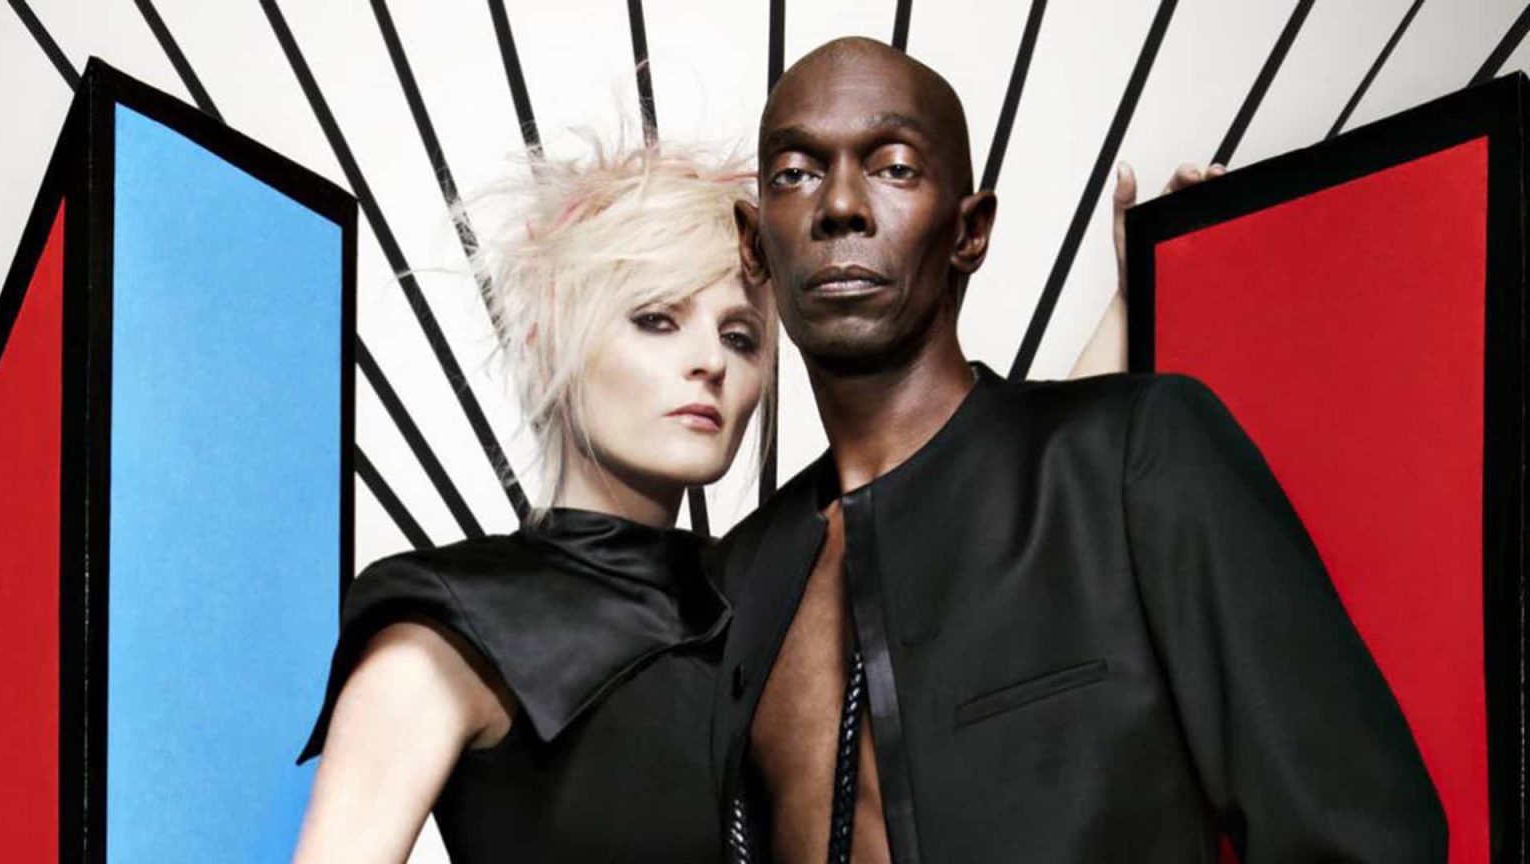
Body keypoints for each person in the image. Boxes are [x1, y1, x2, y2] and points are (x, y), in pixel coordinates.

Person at [709, 37, 1446, 863]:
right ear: (754, 244)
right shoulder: (738, 581)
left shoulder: (1135, 455)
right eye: (794, 173)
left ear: (970, 231)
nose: (840, 204)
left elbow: (1358, 835)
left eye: (895, 167)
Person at [292, 140, 773, 863]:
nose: (710, 361)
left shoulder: (770, 614)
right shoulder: (457, 624)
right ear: (547, 339)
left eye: (740, 336)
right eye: (656, 318)